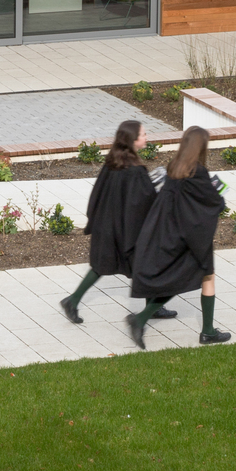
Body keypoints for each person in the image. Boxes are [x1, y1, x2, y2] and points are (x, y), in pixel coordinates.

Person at [126, 125, 231, 349]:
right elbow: (213, 203)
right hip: (190, 236)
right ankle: (208, 332)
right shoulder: (198, 172)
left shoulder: (175, 167)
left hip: (169, 232)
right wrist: (219, 196)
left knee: (177, 278)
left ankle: (142, 318)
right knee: (206, 277)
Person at [59, 120, 160, 324]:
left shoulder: (113, 162)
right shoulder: (135, 170)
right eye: (143, 134)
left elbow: (99, 192)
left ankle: (73, 300)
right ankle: (152, 308)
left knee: (101, 265)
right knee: (147, 264)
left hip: (106, 224)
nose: (146, 137)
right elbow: (143, 202)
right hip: (125, 229)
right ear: (133, 139)